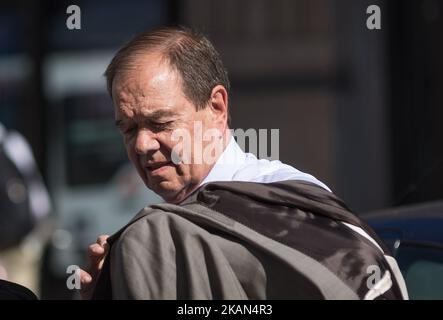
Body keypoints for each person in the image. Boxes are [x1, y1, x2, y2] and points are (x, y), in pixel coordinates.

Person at [79, 26, 408, 300]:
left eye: (161, 123)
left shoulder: (289, 206)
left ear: (217, 107)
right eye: (129, 128)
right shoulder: (161, 236)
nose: (142, 144)